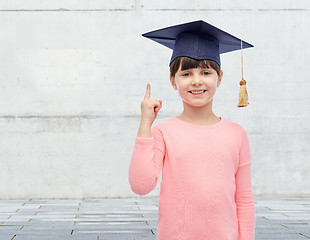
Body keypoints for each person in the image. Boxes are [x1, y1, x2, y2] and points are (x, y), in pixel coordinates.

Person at [128, 20, 255, 240]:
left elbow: (243, 201)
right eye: (186, 74)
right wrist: (145, 125)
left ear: (220, 77)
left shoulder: (236, 134)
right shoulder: (162, 133)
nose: (196, 81)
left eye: (206, 72)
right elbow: (141, 185)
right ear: (173, 81)